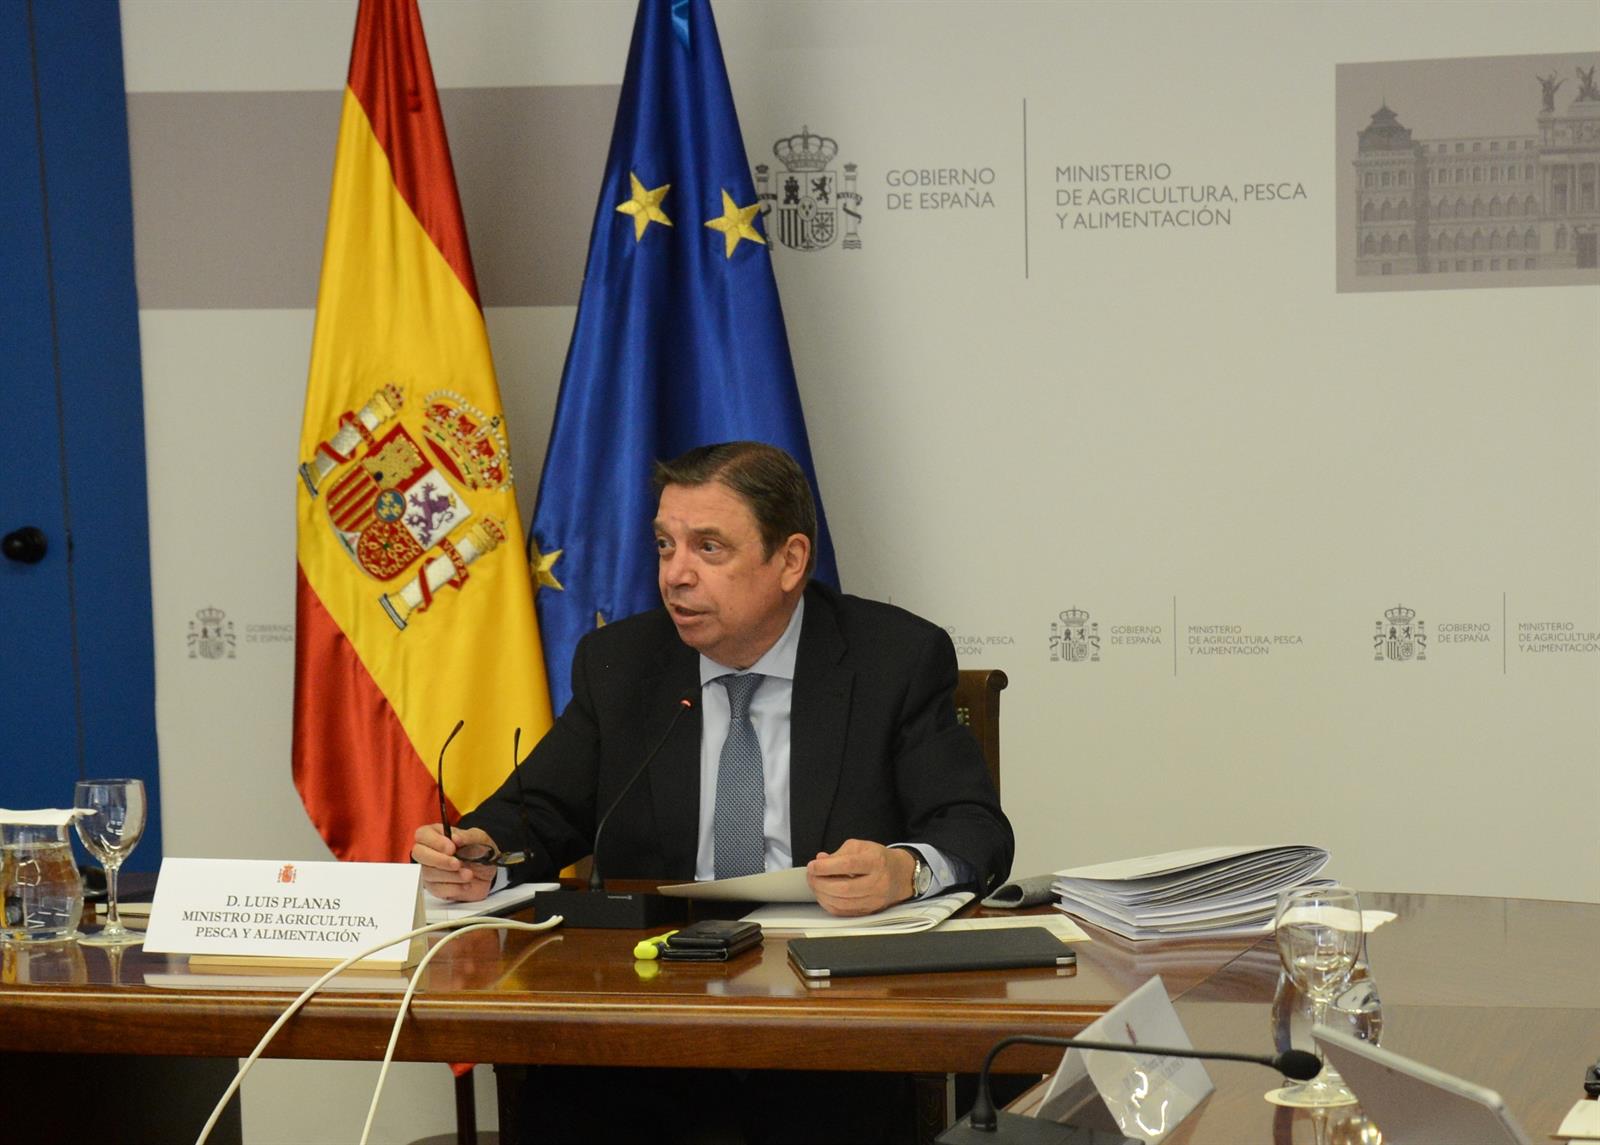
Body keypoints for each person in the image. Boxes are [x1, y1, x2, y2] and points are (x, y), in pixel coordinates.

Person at [413, 440, 1013, 912]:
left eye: (708, 548)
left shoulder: (893, 658)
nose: (675, 574)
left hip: (831, 973)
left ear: (790, 560)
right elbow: (540, 812)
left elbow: (973, 827)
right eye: (664, 545)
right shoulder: (621, 663)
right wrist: (481, 855)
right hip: (660, 973)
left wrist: (905, 871)